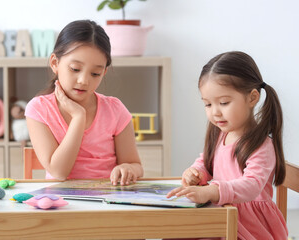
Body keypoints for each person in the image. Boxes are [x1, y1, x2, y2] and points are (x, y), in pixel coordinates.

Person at [167, 51, 288, 239]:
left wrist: (212, 191)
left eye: (223, 102)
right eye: (207, 104)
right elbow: (206, 161)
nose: (215, 112)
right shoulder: (220, 135)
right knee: (175, 232)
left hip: (249, 224)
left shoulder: (261, 145)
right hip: (223, 212)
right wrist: (196, 172)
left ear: (252, 98)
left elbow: (251, 185)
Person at [25, 20, 143, 186]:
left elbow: (135, 165)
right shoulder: (39, 109)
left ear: (104, 72)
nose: (83, 81)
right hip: (62, 203)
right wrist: (78, 117)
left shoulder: (115, 110)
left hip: (107, 200)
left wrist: (128, 168)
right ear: (55, 63)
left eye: (95, 73)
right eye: (75, 69)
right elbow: (59, 172)